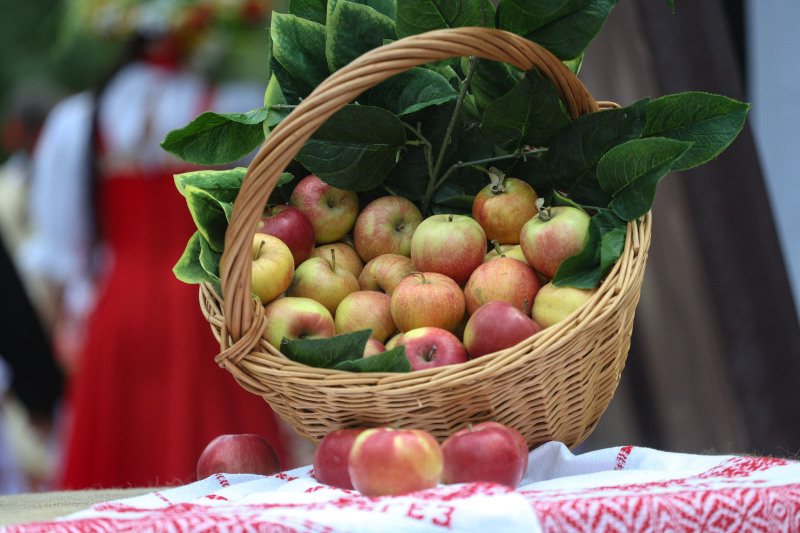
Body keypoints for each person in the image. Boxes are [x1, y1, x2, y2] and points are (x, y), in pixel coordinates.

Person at [21, 0, 293, 489]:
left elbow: (63, 255)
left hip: (117, 316)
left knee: (113, 479)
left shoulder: (78, 121)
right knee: (229, 477)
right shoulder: (234, 108)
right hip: (210, 316)